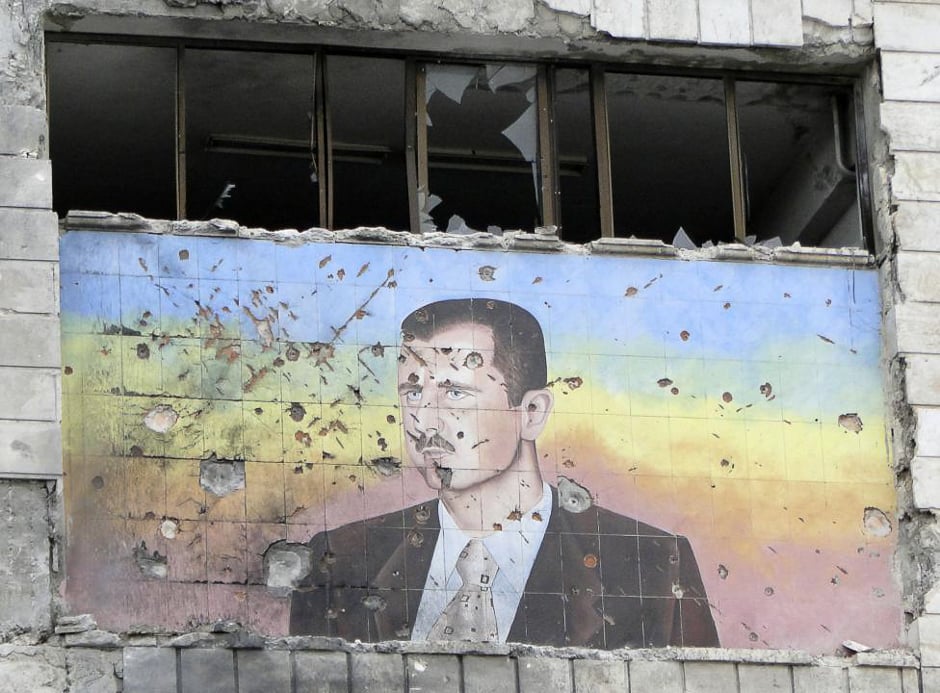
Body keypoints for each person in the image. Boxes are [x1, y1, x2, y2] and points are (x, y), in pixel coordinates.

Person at [290, 298, 719, 648]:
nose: (424, 419)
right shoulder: (340, 559)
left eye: (455, 392)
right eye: (413, 391)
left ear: (532, 413)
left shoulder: (654, 565)